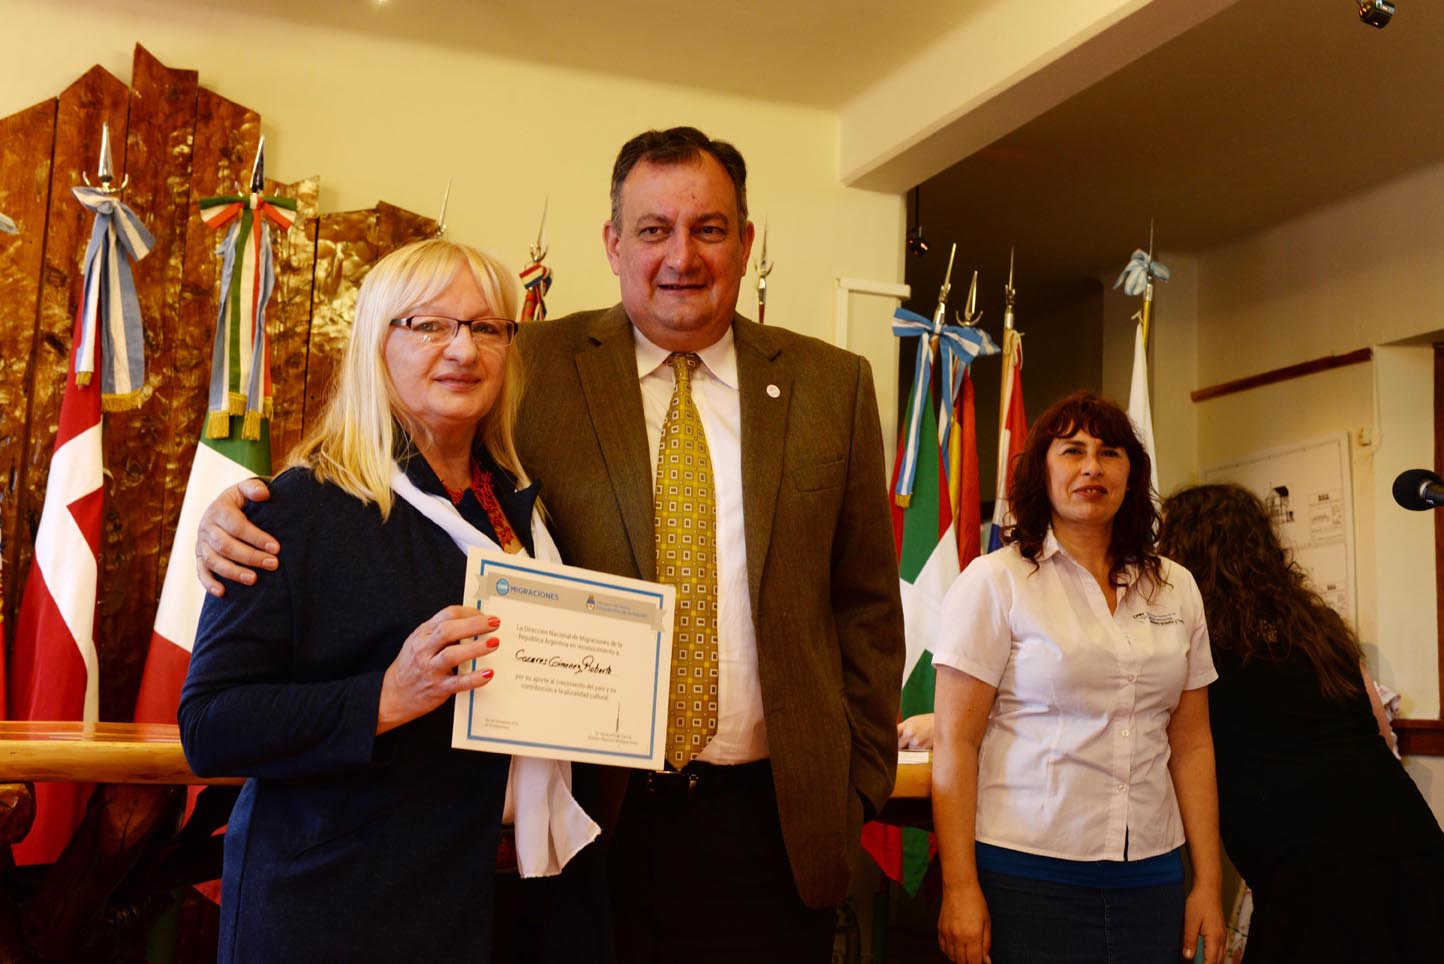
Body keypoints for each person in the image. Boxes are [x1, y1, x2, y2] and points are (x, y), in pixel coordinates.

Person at [193, 126, 905, 964]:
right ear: (612, 244)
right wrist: (230, 510)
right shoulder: (535, 364)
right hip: (594, 828)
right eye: (653, 229)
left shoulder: (832, 385)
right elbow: (383, 450)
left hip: (769, 822)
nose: (681, 255)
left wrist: (859, 784)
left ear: (745, 242)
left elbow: (865, 604)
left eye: (709, 228)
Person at [179, 239, 557, 963]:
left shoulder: (520, 507)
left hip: (496, 900)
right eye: (428, 324)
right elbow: (211, 726)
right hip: (338, 911)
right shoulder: (292, 511)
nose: (463, 350)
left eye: (486, 328)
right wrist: (384, 697)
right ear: (375, 344)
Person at [930, 390, 1225, 964]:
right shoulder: (995, 582)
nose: (1092, 466)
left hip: (1152, 875)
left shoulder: (1176, 586)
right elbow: (955, 743)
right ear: (1041, 471)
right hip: (1025, 875)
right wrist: (960, 887)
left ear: (1130, 476)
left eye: (1109, 452)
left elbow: (1192, 745)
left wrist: (1208, 884)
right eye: (1072, 451)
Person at [1158, 483, 1444, 962]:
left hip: (1303, 858)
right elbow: (1381, 731)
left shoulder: (1192, 634)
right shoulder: (1315, 623)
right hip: (1400, 828)